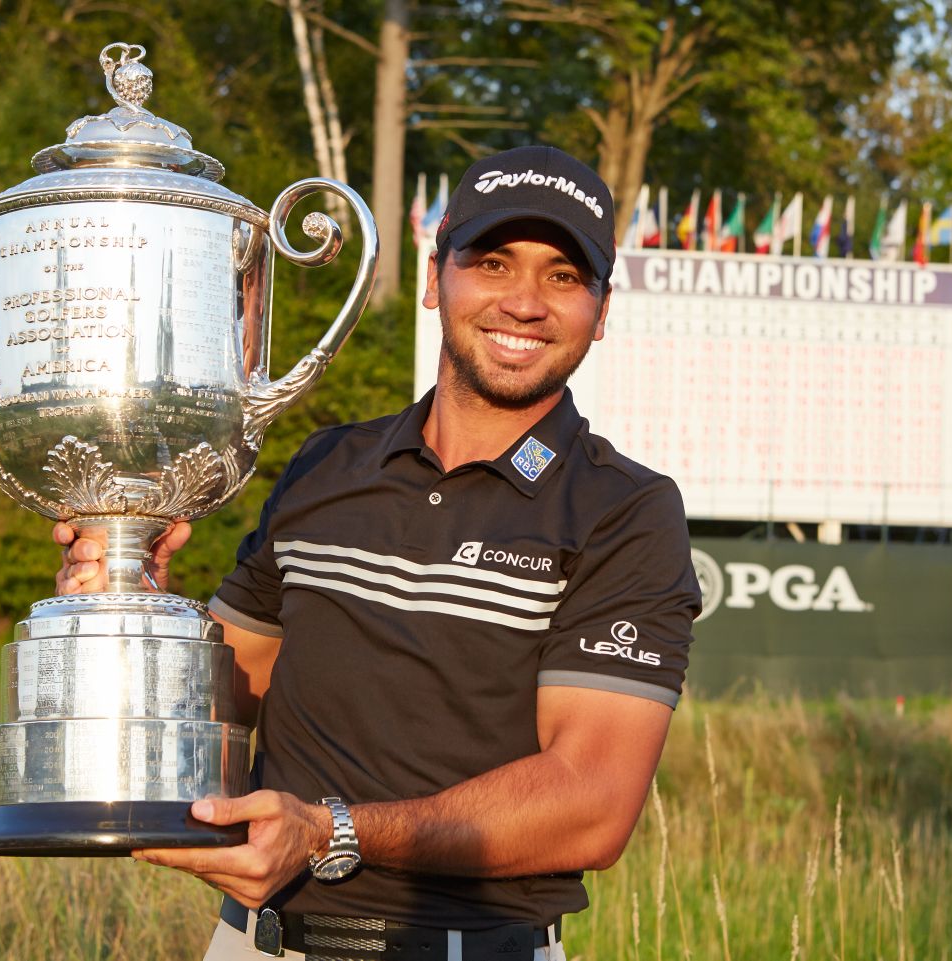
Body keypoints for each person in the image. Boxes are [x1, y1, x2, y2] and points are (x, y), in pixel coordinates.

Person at [55, 145, 700, 961]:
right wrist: (134, 602)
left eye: (565, 276)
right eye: (493, 262)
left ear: (602, 312)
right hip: (258, 945)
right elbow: (224, 692)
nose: (526, 302)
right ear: (437, 280)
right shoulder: (329, 464)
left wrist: (330, 832)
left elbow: (591, 803)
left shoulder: (626, 510)